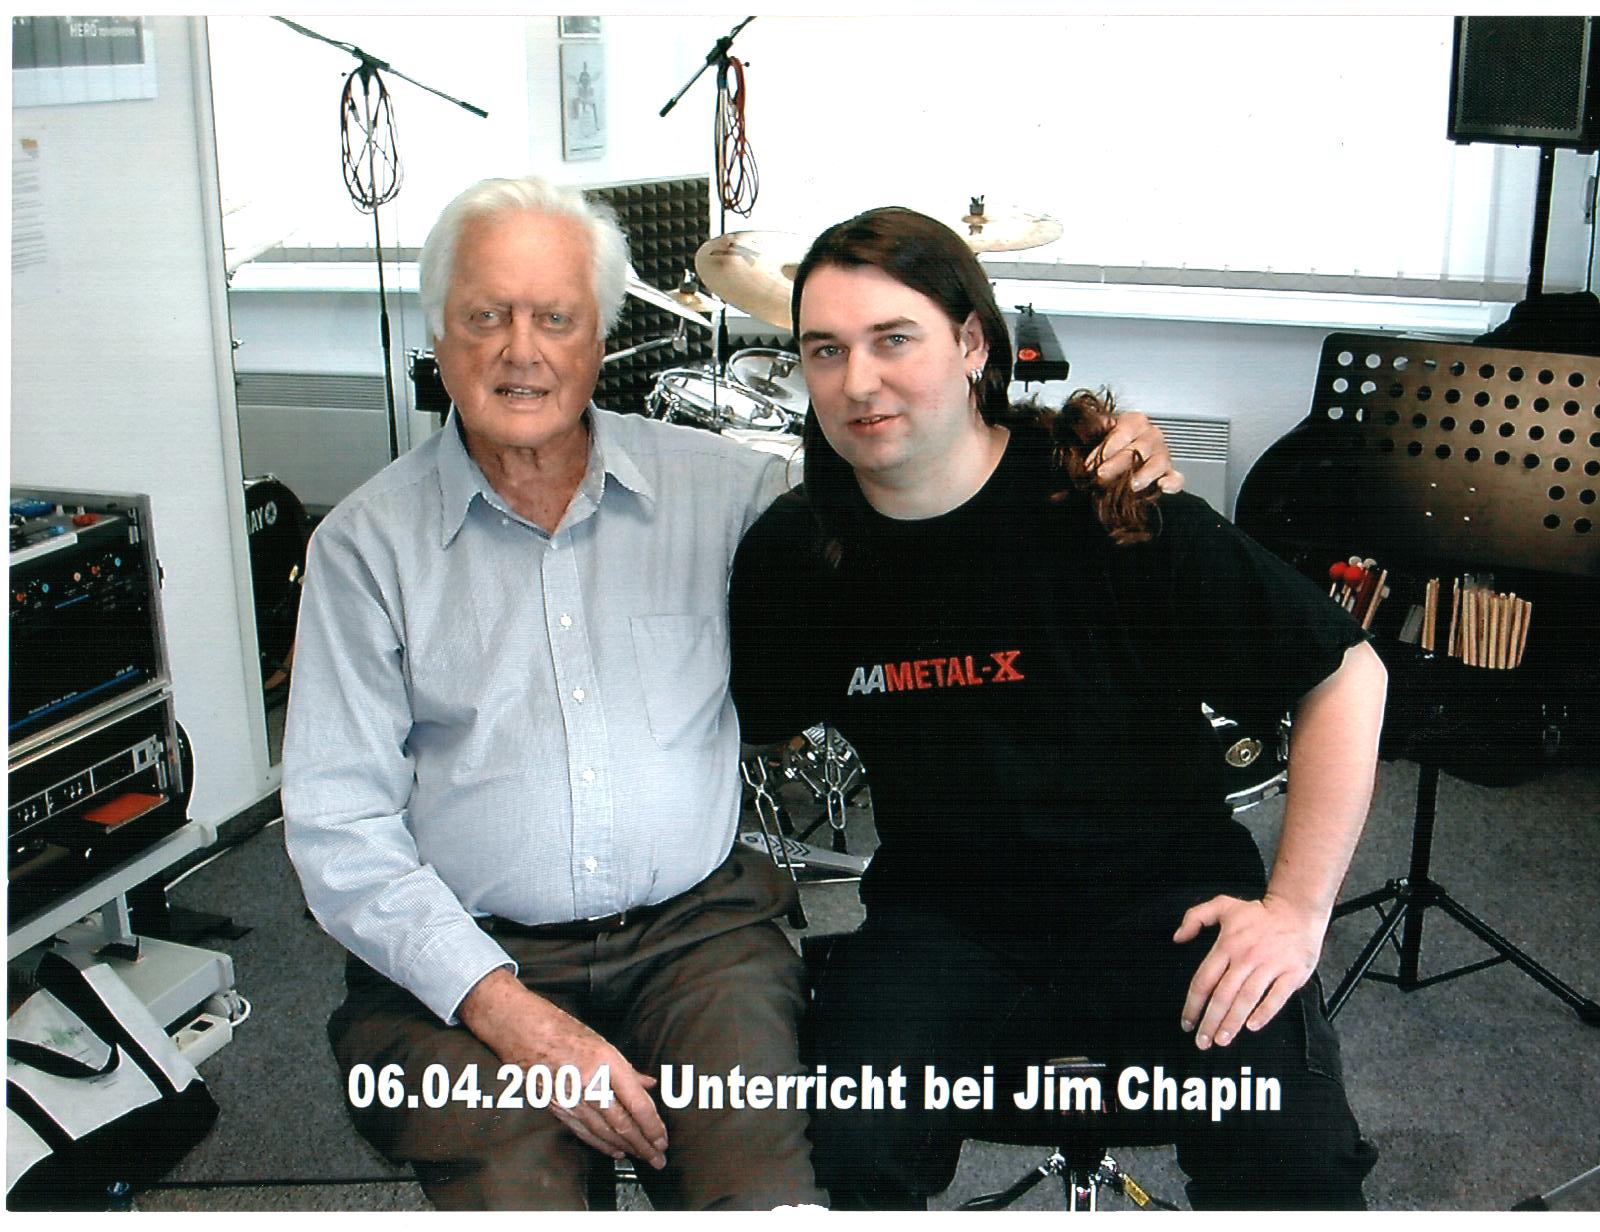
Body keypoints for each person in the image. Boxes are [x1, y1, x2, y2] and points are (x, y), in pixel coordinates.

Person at [282, 176, 1182, 1210]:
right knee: (518, 1181)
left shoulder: (727, 491)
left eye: (555, 318)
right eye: (486, 316)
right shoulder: (364, 546)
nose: (521, 350)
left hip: (697, 939)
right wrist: (509, 1011)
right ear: (438, 337)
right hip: (461, 958)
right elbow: (339, 826)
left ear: (601, 339)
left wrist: (1084, 455)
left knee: (768, 1191)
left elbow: (913, 486)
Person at [727, 206, 1389, 1210]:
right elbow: (742, 723)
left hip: (1171, 909)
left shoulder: (1105, 501)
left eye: (893, 339)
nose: (856, 380)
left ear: (972, 345)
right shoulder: (800, 551)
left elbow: (1344, 673)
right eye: (826, 349)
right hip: (942, 922)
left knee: (1293, 1165)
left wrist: (1295, 913)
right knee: (829, 1163)